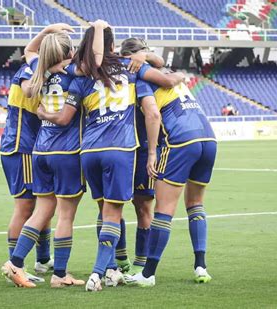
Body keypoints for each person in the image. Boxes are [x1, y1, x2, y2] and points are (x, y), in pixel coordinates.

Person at [36, 24, 184, 292]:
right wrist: (148, 58)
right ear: (113, 46)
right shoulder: (131, 67)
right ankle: (99, 272)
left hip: (89, 151)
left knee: (103, 211)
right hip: (121, 149)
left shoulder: (81, 72)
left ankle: (113, 268)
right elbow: (165, 77)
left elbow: (55, 65)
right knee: (114, 213)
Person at [2, 23, 89, 289]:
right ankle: (59, 274)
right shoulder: (75, 73)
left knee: (43, 210)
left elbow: (30, 50)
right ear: (69, 53)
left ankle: (17, 263)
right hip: (63, 150)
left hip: (40, 149)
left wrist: (48, 31)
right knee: (62, 215)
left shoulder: (40, 67)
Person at [125, 79, 217, 287]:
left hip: (181, 141)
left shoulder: (144, 82)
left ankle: (148, 274)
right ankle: (200, 266)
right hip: (209, 139)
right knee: (195, 204)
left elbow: (153, 115)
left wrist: (151, 152)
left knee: (164, 210)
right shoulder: (168, 76)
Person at [0, 26, 64, 287]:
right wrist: (49, 69)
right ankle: (16, 265)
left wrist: (47, 31)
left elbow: (29, 50)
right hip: (21, 146)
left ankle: (43, 259)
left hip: (30, 146)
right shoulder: (31, 71)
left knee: (41, 203)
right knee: (26, 207)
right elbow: (28, 90)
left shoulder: (35, 63)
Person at [117, 37, 165, 274]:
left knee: (137, 207)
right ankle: (125, 261)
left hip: (134, 147)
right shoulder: (127, 75)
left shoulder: (143, 72)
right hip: (130, 148)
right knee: (124, 207)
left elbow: (160, 60)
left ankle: (134, 262)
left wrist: (144, 56)